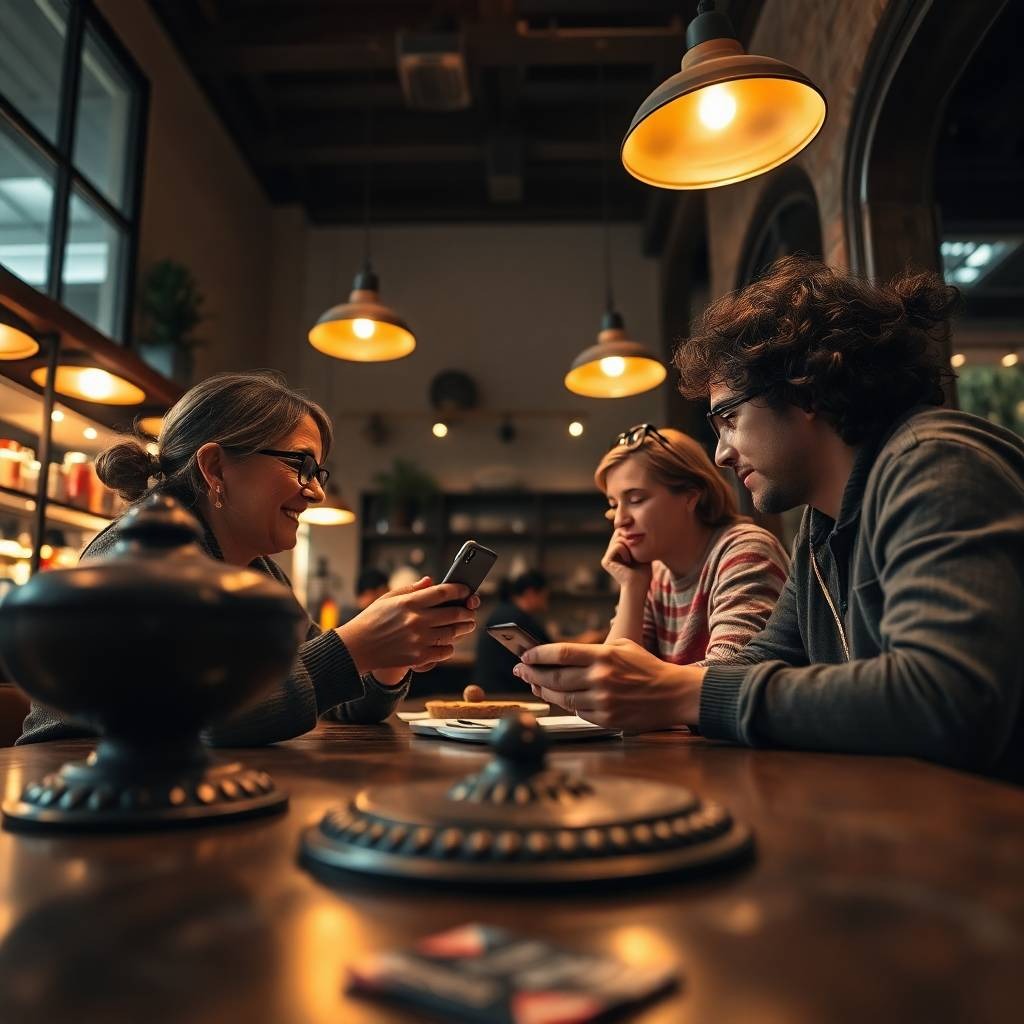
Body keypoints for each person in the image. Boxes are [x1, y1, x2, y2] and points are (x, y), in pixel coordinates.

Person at [515, 257, 1024, 781]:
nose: (721, 455)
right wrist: (635, 684)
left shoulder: (937, 463)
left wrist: (679, 691)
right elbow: (762, 658)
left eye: (729, 419)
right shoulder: (822, 527)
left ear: (804, 390)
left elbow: (947, 699)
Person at [18, 371, 478, 746]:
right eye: (300, 465)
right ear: (215, 468)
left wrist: (386, 656)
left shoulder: (258, 573)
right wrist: (354, 646)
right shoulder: (133, 558)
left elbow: (339, 702)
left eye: (318, 473)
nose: (315, 491)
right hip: (75, 798)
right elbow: (184, 720)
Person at [596, 424, 789, 665]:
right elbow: (613, 678)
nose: (620, 520)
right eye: (613, 505)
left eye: (636, 499)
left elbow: (729, 677)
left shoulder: (746, 551)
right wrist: (632, 587)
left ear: (691, 495)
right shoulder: (653, 574)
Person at [475, 571, 554, 692]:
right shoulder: (519, 620)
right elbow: (549, 654)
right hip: (508, 693)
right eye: (545, 596)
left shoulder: (502, 612)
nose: (547, 602)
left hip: (489, 689)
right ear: (531, 593)